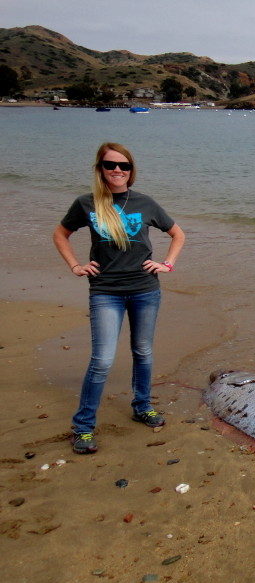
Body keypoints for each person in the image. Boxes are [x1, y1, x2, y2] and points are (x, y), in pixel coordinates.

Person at [53, 142, 186, 454]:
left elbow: (177, 234)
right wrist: (75, 265)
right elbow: (60, 234)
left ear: (131, 170)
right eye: (110, 165)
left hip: (145, 289)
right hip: (105, 292)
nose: (117, 170)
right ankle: (83, 427)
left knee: (142, 352)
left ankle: (142, 407)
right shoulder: (86, 204)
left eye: (123, 166)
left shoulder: (145, 202)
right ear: (100, 169)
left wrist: (167, 264)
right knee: (102, 360)